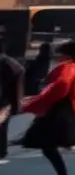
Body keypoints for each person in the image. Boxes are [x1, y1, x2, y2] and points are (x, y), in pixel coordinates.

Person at [19, 40, 75, 175]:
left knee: (45, 144)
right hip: (60, 110)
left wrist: (36, 102)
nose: (57, 58)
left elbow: (61, 85)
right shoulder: (74, 67)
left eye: (59, 54)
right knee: (46, 145)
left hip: (59, 111)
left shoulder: (69, 67)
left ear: (67, 55)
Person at [0, 33, 25, 163]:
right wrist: (16, 105)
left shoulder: (8, 63)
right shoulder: (12, 64)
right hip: (5, 102)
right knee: (2, 128)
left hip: (3, 102)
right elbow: (17, 84)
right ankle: (1, 152)